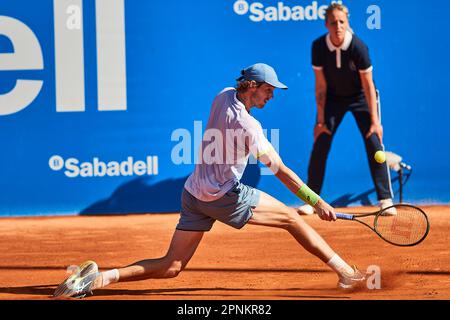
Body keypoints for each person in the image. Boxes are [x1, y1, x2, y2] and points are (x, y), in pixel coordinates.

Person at [54, 63, 365, 299]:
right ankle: (347, 273)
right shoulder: (249, 126)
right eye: (269, 90)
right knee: (293, 220)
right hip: (224, 195)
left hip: (194, 193)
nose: (272, 96)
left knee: (171, 267)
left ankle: (100, 279)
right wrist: (318, 201)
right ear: (252, 86)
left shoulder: (223, 95)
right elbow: (281, 171)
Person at [297, 3, 396, 216]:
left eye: (342, 22)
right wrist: (321, 119)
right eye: (333, 22)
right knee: (321, 140)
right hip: (333, 98)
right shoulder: (318, 47)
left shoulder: (358, 47)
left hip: (361, 97)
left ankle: (385, 199)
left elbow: (369, 86)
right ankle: (313, 199)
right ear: (326, 24)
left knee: (374, 142)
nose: (338, 26)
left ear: (347, 22)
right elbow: (321, 85)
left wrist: (375, 121)